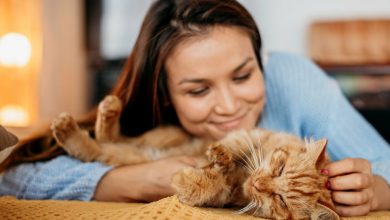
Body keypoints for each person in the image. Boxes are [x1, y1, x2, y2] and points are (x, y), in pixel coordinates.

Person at [1, 0, 390, 217]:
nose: (229, 106)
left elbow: (383, 163)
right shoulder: (148, 114)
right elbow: (11, 177)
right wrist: (131, 179)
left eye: (242, 76)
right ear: (165, 94)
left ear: (261, 60)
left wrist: (376, 190)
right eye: (198, 90)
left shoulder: (292, 79)